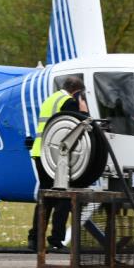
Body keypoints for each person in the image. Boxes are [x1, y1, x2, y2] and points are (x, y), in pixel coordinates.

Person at [27, 76, 89, 253]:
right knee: (62, 197)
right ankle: (56, 240)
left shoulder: (51, 99)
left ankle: (35, 240)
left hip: (40, 153)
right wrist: (84, 112)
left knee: (45, 198)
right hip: (56, 157)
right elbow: (77, 125)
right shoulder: (68, 101)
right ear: (77, 92)